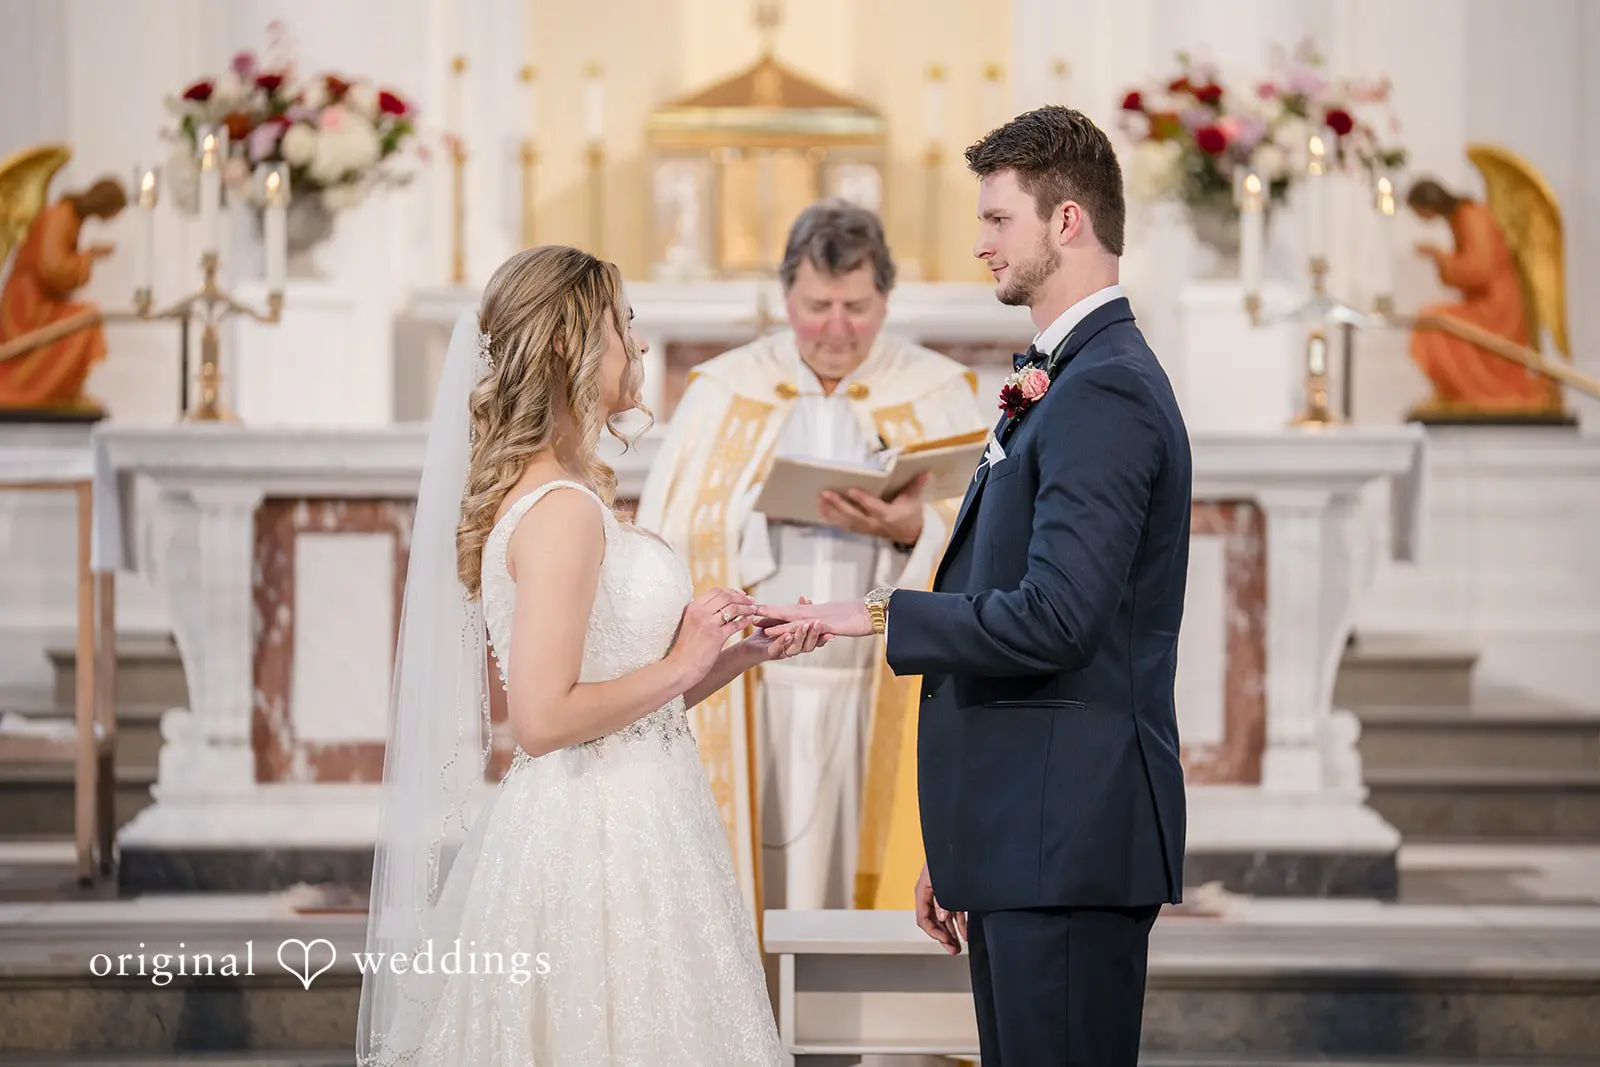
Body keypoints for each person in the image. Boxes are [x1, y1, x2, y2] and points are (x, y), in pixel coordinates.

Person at [755, 106, 1192, 1066]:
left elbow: (1058, 617)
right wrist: (960, 848)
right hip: (1026, 840)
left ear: (1067, 221)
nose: (981, 243)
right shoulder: (1064, 374)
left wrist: (869, 612)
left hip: (1067, 846)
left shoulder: (1104, 386)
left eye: (999, 219)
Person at [356, 246, 810, 1065]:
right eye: (621, 323)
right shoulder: (561, 509)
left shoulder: (571, 489)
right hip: (593, 843)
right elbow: (541, 718)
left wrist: (730, 654)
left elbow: (619, 707)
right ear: (569, 345)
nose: (636, 343)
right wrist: (681, 661)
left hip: (637, 813)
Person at [636, 199, 986, 914]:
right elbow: (672, 533)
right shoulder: (726, 390)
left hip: (882, 678)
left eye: (856, 306)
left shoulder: (938, 392)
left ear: (887, 297)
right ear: (785, 295)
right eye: (816, 305)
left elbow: (986, 538)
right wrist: (752, 513)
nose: (835, 328)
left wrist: (908, 526)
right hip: (752, 683)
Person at [1404, 177, 1556, 416]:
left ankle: (1474, 392)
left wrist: (1441, 258)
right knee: (1431, 320)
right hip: (1485, 301)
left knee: (1431, 320)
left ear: (1429, 205)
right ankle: (1458, 392)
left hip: (1498, 308)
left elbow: (1480, 269)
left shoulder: (1471, 216)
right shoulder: (1460, 217)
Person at [0, 177, 126, 412]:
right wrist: (88, 257)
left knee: (85, 317)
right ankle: (41, 389)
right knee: (86, 319)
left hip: (39, 301)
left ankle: (63, 390)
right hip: (26, 307)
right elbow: (52, 267)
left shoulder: (70, 217)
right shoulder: (60, 216)